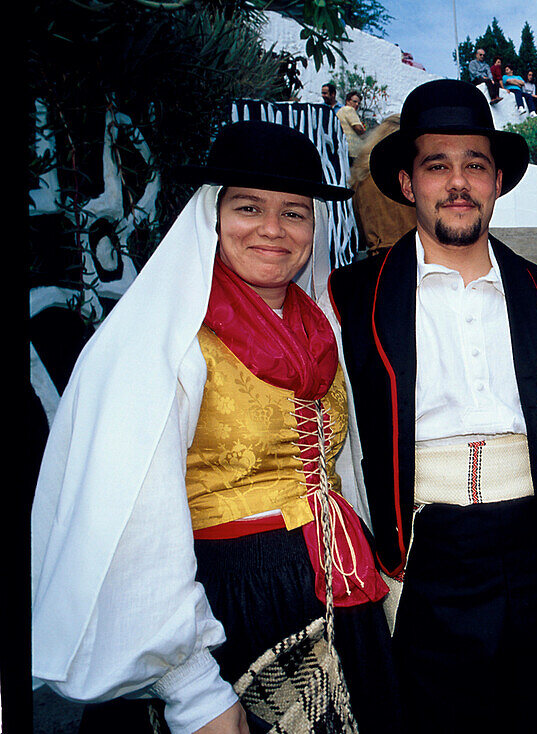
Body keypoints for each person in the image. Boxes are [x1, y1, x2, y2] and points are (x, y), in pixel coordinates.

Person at [31, 120, 398, 733]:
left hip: (332, 589)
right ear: (211, 216)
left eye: (295, 212)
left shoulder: (321, 329)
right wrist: (191, 685)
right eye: (248, 207)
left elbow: (339, 475)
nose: (273, 230)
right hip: (228, 600)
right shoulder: (164, 340)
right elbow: (132, 519)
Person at [326, 78, 537, 734]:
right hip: (423, 555)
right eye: (436, 165)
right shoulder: (351, 298)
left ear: (498, 180)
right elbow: (343, 442)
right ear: (408, 182)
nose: (458, 182)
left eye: (475, 164)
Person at [348, 113, 418, 257]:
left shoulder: (361, 179)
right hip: (412, 255)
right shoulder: (411, 177)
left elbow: (359, 227)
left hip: (377, 258)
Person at [337, 90, 368, 163]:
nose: (357, 104)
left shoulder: (341, 111)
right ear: (347, 101)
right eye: (354, 101)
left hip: (344, 149)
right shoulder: (349, 109)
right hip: (353, 151)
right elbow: (358, 128)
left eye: (359, 103)